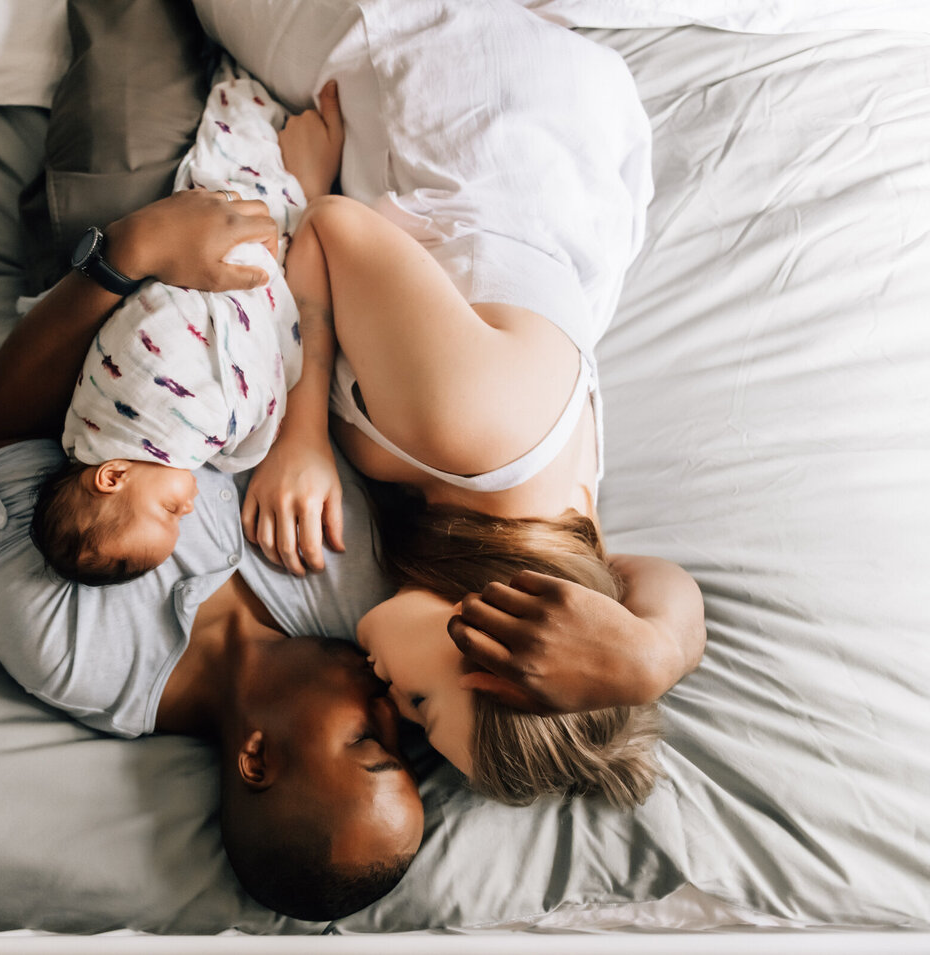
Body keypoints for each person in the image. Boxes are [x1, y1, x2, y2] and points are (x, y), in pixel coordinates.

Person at [241, 7, 707, 805]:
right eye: (424, 709)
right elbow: (329, 227)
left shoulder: (559, 538)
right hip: (441, 65)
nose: (388, 706)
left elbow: (665, 590)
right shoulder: (470, 431)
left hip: (562, 129)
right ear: (495, 644)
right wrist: (303, 432)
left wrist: (655, 655)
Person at [0, 187, 423, 921]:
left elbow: (0, 440)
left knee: (129, 112)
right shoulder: (367, 607)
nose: (393, 706)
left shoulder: (77, 653)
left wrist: (130, 251)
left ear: (258, 759)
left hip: (107, 260)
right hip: (292, 250)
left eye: (371, 740)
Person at [32, 63, 326, 586]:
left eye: (167, 513)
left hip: (182, 252)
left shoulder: (127, 421)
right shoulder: (163, 447)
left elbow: (154, 344)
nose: (186, 513)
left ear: (113, 475)